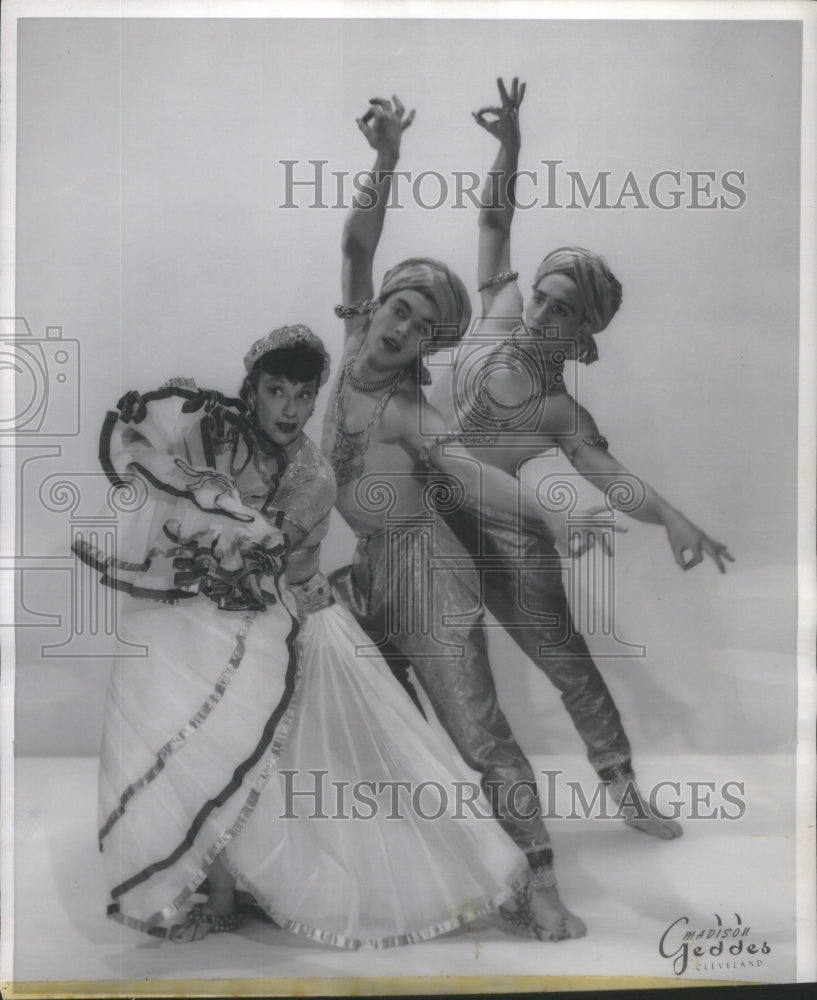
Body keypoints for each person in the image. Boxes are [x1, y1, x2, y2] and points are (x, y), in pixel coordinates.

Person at [74, 325, 533, 949]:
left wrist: (228, 547)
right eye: (276, 390)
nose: (291, 409)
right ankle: (206, 885)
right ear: (253, 388)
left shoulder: (313, 474)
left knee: (330, 756)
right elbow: (173, 508)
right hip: (211, 617)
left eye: (304, 394)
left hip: (291, 621)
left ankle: (491, 874)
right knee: (188, 728)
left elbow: (266, 559)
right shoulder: (210, 433)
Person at [323, 96, 598, 941]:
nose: (401, 327)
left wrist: (557, 512)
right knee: (326, 690)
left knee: (475, 729)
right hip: (368, 570)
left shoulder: (409, 411)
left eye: (424, 327)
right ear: (376, 307)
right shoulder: (348, 347)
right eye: (399, 307)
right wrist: (386, 158)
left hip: (428, 573)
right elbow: (355, 243)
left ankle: (538, 880)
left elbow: (473, 474)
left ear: (433, 349)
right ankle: (385, 865)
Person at [429, 78, 734, 836]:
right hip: (422, 515)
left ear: (582, 337)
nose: (542, 311)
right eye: (543, 295)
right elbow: (493, 219)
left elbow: (611, 480)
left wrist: (673, 520)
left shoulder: (563, 412)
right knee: (391, 649)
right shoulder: (496, 315)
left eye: (563, 308)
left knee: (568, 662)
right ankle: (405, 804)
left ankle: (624, 793)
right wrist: (510, 144)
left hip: (504, 529)